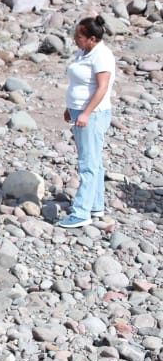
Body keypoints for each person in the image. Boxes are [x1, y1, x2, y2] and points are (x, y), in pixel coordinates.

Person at [58, 16, 116, 229]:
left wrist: (85, 114)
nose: (75, 39)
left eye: (79, 37)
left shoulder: (102, 56)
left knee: (88, 164)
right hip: (79, 111)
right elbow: (79, 83)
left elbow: (102, 88)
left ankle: (81, 212)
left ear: (92, 38)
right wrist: (70, 108)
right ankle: (96, 206)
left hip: (92, 115)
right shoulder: (84, 52)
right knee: (95, 162)